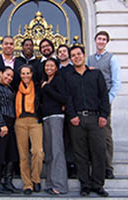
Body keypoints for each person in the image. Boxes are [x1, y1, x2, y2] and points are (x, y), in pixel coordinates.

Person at [65, 45, 110, 197]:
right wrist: (72, 116)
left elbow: (103, 96)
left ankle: (98, 184)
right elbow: (67, 98)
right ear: (71, 59)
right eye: (73, 55)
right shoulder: (69, 77)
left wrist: (104, 115)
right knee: (80, 153)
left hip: (95, 119)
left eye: (79, 54)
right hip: (77, 120)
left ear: (84, 56)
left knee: (99, 151)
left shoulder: (96, 74)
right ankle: (84, 184)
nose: (76, 57)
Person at [87, 31, 121, 179]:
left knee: (105, 134)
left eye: (103, 39)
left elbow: (116, 82)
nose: (101, 41)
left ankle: (108, 166)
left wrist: (107, 100)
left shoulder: (112, 59)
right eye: (99, 39)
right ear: (95, 41)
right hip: (90, 102)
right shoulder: (89, 59)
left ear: (106, 42)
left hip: (104, 102)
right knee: (91, 134)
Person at [0, 67, 21, 194]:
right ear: (0, 73)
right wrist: (1, 124)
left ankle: (8, 182)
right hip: (0, 124)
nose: (9, 78)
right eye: (7, 75)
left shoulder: (9, 88)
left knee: (11, 154)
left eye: (11, 76)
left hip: (11, 123)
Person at [14, 64, 44, 195]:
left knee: (38, 151)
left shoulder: (38, 87)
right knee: (23, 154)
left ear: (32, 74)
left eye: (28, 73)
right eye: (23, 73)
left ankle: (36, 178)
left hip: (35, 121)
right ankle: (27, 184)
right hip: (20, 121)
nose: (25, 76)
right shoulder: (15, 87)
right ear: (20, 75)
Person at [41, 58, 69, 195]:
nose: (49, 68)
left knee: (57, 150)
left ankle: (60, 185)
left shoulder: (58, 80)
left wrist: (47, 88)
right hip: (46, 118)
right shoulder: (44, 81)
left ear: (56, 68)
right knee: (49, 152)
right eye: (47, 65)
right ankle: (50, 183)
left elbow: (63, 98)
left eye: (52, 65)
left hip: (56, 117)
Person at [56, 44, 76, 178]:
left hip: (72, 109)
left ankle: (72, 166)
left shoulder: (73, 69)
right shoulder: (55, 69)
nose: (62, 53)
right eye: (60, 52)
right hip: (58, 109)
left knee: (71, 138)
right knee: (60, 138)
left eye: (64, 51)